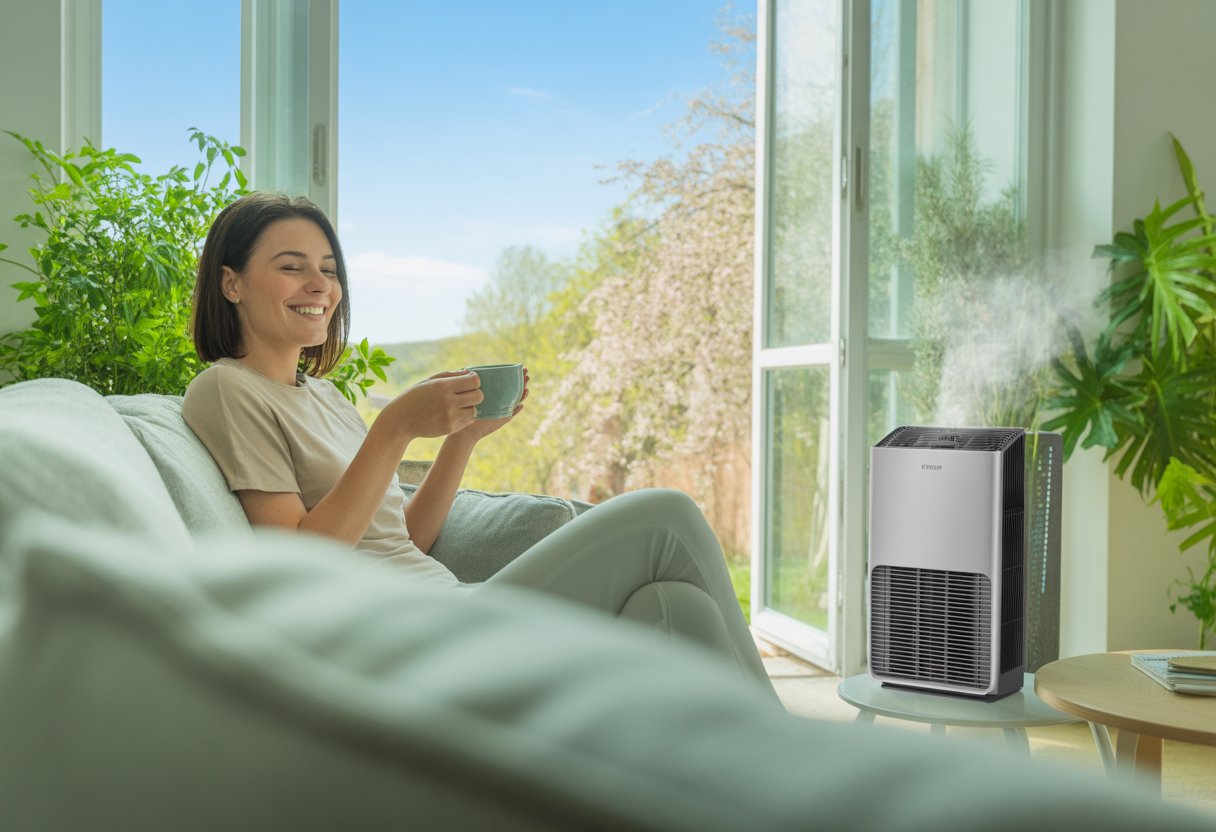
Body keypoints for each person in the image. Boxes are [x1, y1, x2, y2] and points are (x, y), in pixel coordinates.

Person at [182, 192, 774, 695]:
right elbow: (300, 565)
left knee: (674, 609)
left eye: (330, 269)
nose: (320, 285)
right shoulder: (227, 390)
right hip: (400, 633)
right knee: (666, 514)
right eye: (293, 267)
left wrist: (460, 442)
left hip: (448, 600)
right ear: (231, 283)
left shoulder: (325, 397)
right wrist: (394, 428)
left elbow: (403, 539)